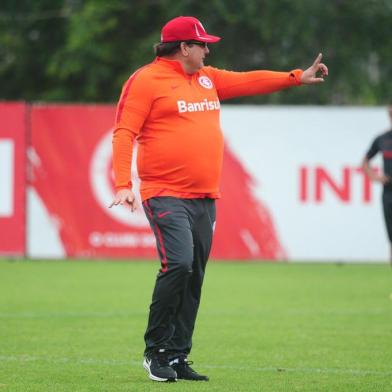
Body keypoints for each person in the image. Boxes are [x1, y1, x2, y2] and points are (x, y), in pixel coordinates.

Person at [109, 15, 328, 382]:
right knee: (178, 264)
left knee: (193, 276)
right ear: (184, 48)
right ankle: (156, 350)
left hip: (204, 197)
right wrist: (121, 184)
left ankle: (178, 356)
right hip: (164, 193)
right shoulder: (146, 80)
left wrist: (295, 77)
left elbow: (248, 80)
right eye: (202, 45)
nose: (207, 50)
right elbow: (123, 133)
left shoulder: (206, 78)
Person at [362, 106, 392, 265]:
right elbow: (365, 162)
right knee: (391, 235)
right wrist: (376, 177)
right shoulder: (382, 139)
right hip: (388, 192)